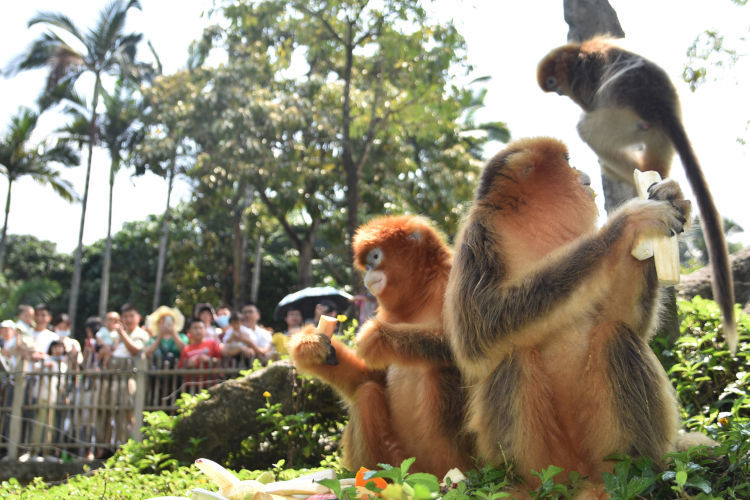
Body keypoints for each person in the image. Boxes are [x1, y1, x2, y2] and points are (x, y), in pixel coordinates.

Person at [179, 318, 223, 389]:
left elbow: (222, 362)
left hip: (213, 385)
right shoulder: (186, 349)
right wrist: (187, 365)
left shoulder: (212, 344)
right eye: (195, 328)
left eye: (201, 328)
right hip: (192, 387)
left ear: (205, 330)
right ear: (189, 331)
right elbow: (180, 370)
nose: (198, 331)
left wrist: (209, 359)